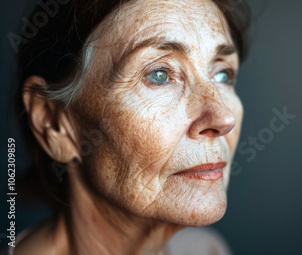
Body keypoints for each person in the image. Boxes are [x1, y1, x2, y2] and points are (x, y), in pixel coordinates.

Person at [6, 0, 250, 254]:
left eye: (223, 74)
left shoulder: (206, 250)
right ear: (55, 124)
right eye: (159, 74)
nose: (223, 118)